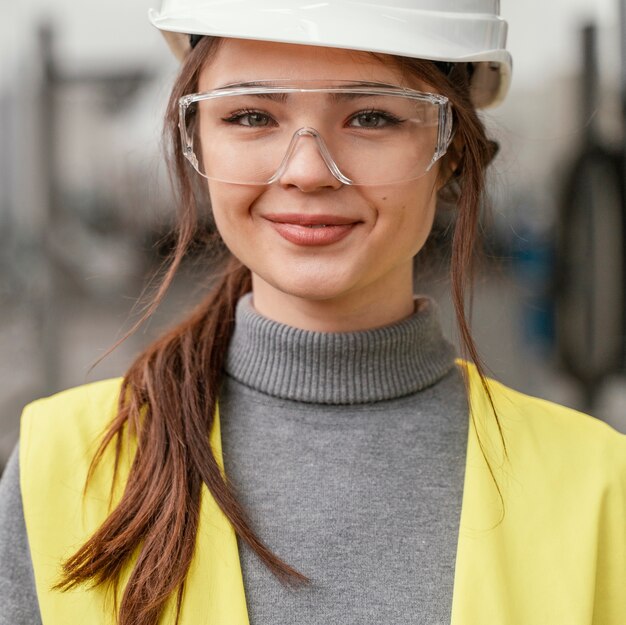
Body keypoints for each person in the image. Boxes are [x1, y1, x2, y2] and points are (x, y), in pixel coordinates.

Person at [1, 1, 625, 624]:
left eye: (371, 117)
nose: (305, 171)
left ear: (452, 152)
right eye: (250, 115)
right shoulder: (63, 467)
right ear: (197, 138)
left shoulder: (601, 488)